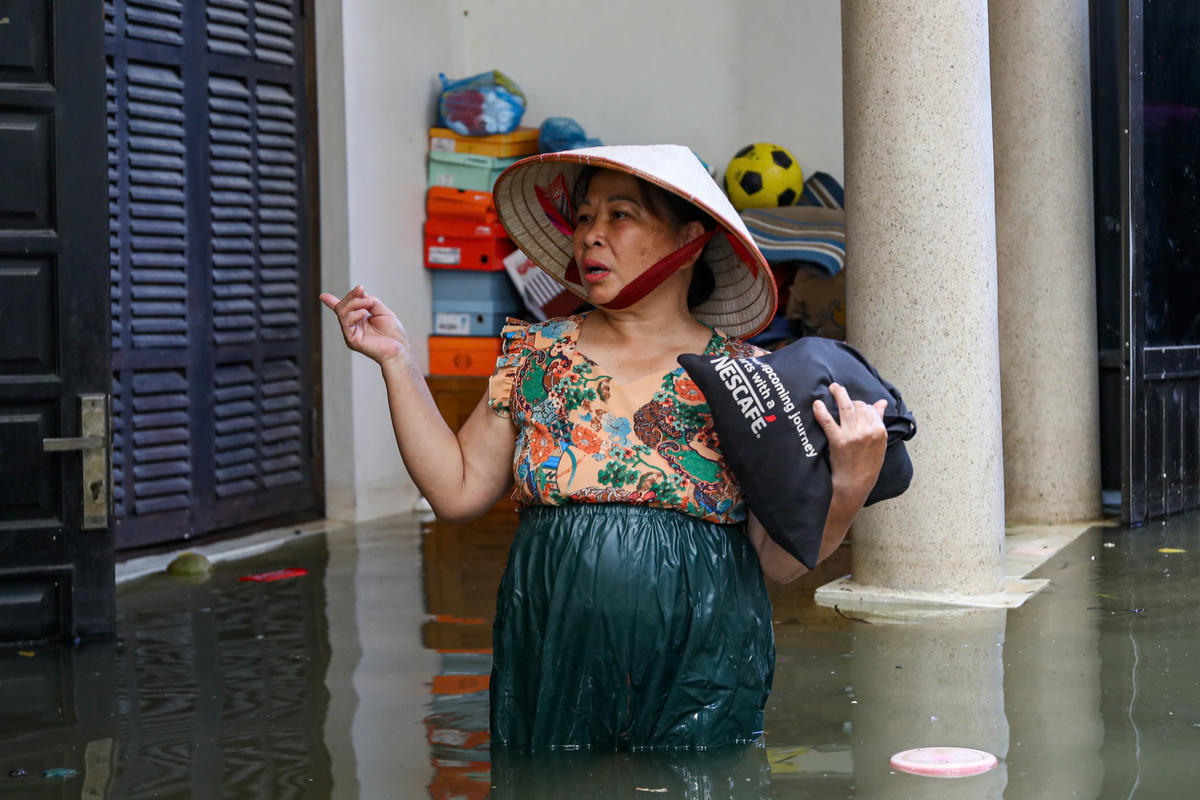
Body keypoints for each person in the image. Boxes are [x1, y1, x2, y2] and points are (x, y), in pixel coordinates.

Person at [320, 145, 888, 751]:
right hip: (553, 644)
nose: (591, 235)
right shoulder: (536, 356)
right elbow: (456, 489)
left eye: (620, 215)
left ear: (689, 240)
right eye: (584, 217)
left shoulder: (746, 380)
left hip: (702, 659)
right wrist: (398, 362)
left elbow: (776, 562)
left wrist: (849, 485)